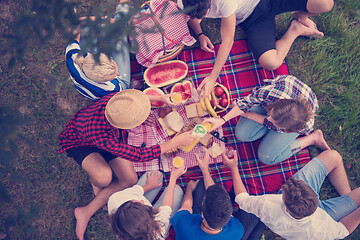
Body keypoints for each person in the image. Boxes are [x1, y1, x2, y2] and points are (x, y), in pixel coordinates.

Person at [58, 89, 197, 240]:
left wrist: (161, 98)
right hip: (80, 143)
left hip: (105, 138)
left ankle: (96, 188)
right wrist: (175, 143)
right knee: (104, 177)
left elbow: (136, 98)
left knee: (130, 180)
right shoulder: (103, 136)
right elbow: (139, 155)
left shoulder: (115, 102)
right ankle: (87, 206)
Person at [178, 0, 333, 97]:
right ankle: (295, 29)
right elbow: (192, 17)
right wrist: (200, 34)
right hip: (253, 18)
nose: (199, 20)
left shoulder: (226, 2)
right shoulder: (182, 2)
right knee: (271, 62)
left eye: (203, 15)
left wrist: (212, 77)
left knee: (326, 4)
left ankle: (301, 15)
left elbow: (227, 41)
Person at [223, 149, 360, 239]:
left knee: (333, 156)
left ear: (287, 207)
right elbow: (344, 229)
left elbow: (241, 198)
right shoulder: (322, 230)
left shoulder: (268, 204)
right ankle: (347, 199)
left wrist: (233, 168)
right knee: (333, 156)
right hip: (327, 217)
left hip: (301, 221)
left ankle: (347, 200)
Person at [205, 75, 330, 165]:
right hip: (276, 104)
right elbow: (246, 103)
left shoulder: (305, 125)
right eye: (270, 114)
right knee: (241, 134)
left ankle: (313, 138)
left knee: (266, 158)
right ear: (275, 105)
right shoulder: (270, 93)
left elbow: (270, 121)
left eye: (272, 120)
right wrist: (222, 120)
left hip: (287, 124)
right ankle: (271, 124)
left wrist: (248, 115)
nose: (268, 118)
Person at [170, 147, 249, 239]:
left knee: (202, 183)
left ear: (202, 214)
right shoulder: (237, 230)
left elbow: (186, 206)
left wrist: (189, 188)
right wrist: (205, 170)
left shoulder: (183, 225)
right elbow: (214, 196)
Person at [108, 166, 186, 240]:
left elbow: (136, 191)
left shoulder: (116, 199)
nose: (142, 201)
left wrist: (149, 185)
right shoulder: (157, 231)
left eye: (136, 202)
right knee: (177, 190)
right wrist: (173, 178)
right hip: (156, 225)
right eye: (141, 204)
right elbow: (167, 208)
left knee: (155, 174)